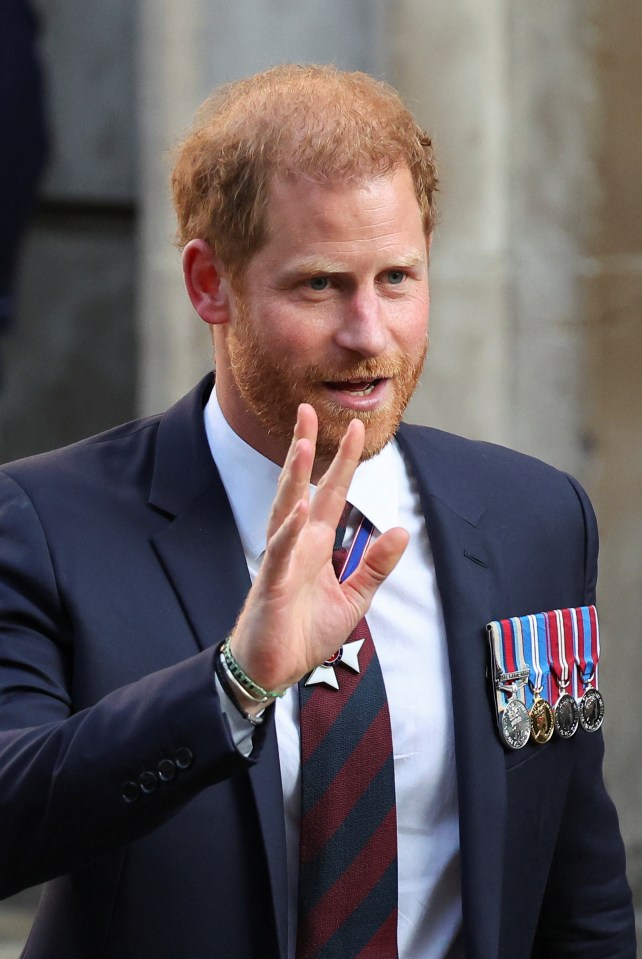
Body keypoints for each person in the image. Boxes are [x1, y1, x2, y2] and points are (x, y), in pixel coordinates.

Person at [0, 64, 635, 959]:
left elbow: (581, 891)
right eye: (320, 285)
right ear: (208, 283)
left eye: (398, 278)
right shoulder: (43, 523)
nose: (370, 334)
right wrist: (232, 685)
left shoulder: (534, 517)